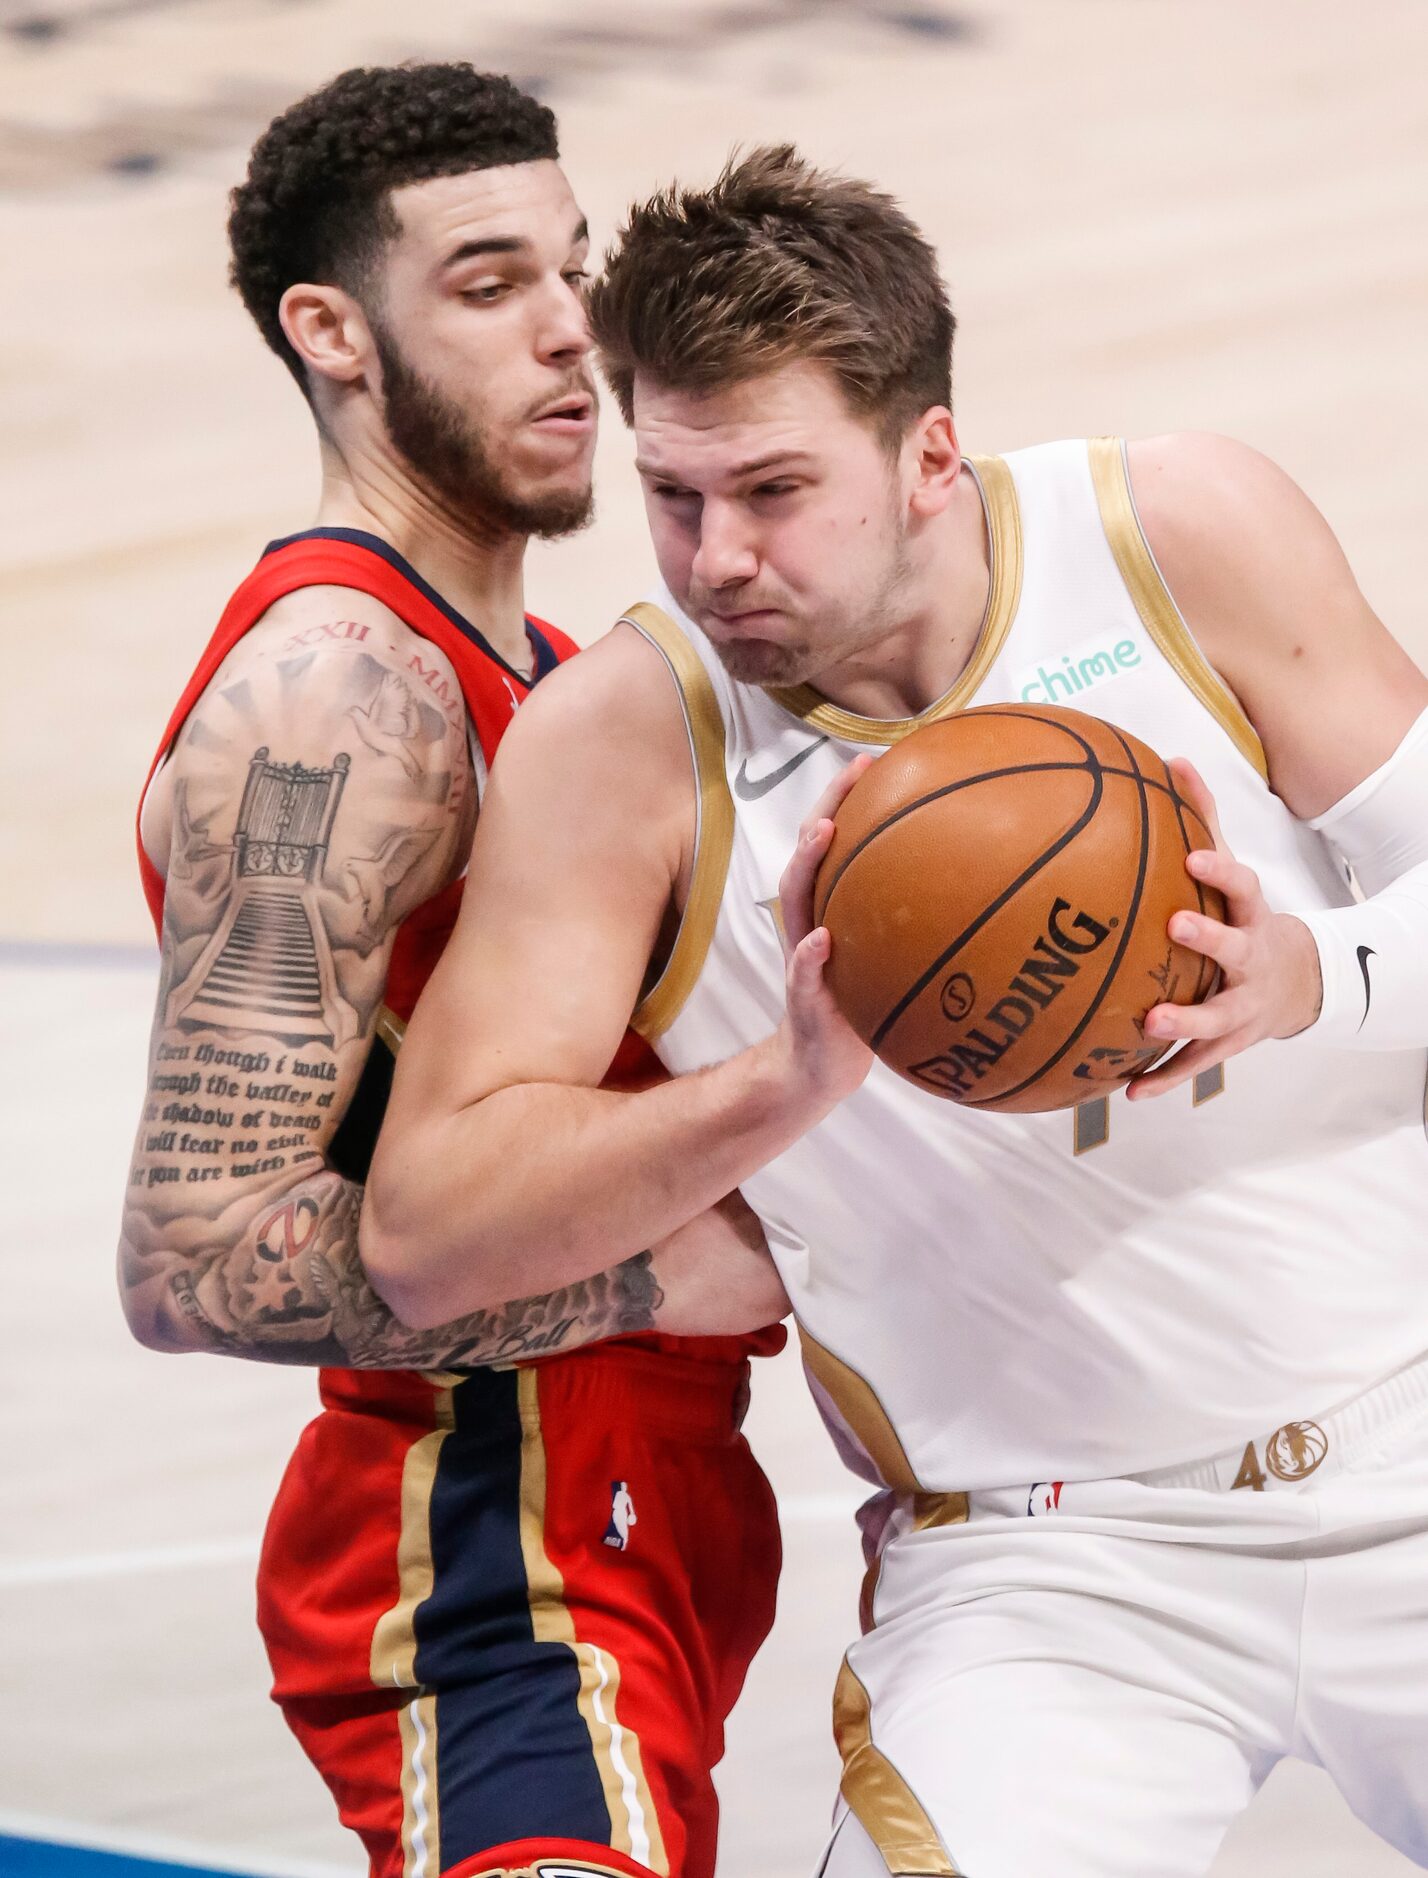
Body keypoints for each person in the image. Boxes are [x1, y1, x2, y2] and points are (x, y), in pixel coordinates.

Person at [363, 146, 1428, 1876]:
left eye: (773, 488)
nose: (717, 557)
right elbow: (423, 1230)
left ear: (932, 454)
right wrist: (785, 1083)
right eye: (675, 492)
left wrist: (1316, 976)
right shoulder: (628, 743)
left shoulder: (1171, 533)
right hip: (1053, 1567)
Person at [119, 69, 787, 1878]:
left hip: (635, 1520)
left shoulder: (550, 662)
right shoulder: (335, 695)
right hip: (483, 1560)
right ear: (329, 332)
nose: (577, 335)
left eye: (573, 271)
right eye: (491, 287)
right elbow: (193, 1263)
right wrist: (657, 1265)